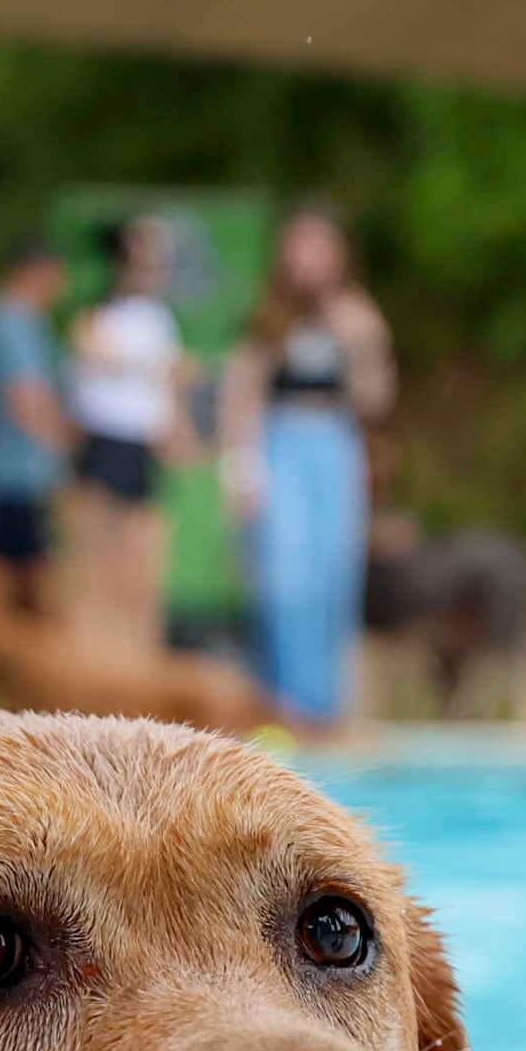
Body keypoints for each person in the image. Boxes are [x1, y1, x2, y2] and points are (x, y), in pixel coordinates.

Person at [221, 201, 392, 729]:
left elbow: (377, 400)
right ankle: (280, 703)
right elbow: (240, 392)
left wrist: (361, 342)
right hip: (281, 442)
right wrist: (239, 465)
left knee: (331, 577)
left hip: (334, 444)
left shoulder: (357, 315)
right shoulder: (269, 315)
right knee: (284, 577)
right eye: (301, 245)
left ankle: (325, 708)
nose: (310, 258)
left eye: (321, 247)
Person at [62, 213, 192, 658]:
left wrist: (176, 431)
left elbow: (170, 385)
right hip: (104, 439)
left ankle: (133, 655)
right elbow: (96, 362)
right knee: (95, 554)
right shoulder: (98, 314)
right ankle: (89, 653)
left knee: (140, 559)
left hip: (142, 444)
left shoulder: (160, 320)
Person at [0, 233, 71, 588]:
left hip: (9, 470)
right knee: (5, 577)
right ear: (35, 272)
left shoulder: (15, 320)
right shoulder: (9, 321)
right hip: (9, 473)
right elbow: (25, 400)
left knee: (5, 573)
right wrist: (64, 449)